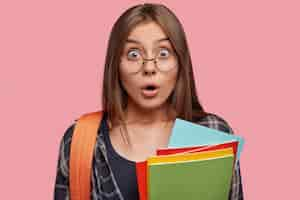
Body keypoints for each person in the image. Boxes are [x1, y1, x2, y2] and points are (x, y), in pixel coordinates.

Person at [54, 3, 244, 200]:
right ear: (116, 65)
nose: (149, 68)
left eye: (163, 53)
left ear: (180, 62)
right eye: (134, 54)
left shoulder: (213, 133)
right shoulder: (81, 140)